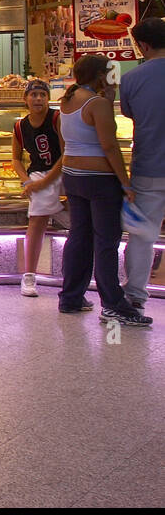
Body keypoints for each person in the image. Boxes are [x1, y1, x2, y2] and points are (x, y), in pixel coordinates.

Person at [57, 54, 150, 326]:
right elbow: (109, 146)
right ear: (100, 75)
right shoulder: (97, 103)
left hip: (73, 176)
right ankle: (113, 304)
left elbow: (69, 141)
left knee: (79, 236)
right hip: (99, 180)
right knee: (106, 242)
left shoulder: (65, 101)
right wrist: (125, 182)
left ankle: (71, 298)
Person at [120, 16, 165, 311]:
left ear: (143, 45)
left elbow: (128, 113)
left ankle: (135, 295)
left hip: (149, 167)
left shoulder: (131, 79)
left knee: (141, 236)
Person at [11, 78, 63, 296]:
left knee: (76, 220)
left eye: (43, 95)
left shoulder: (57, 118)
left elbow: (66, 153)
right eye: (34, 95)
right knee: (37, 220)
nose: (38, 99)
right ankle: (29, 275)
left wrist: (45, 182)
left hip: (62, 171)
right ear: (26, 99)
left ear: (48, 99)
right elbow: (16, 159)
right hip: (38, 173)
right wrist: (27, 181)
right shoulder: (20, 126)